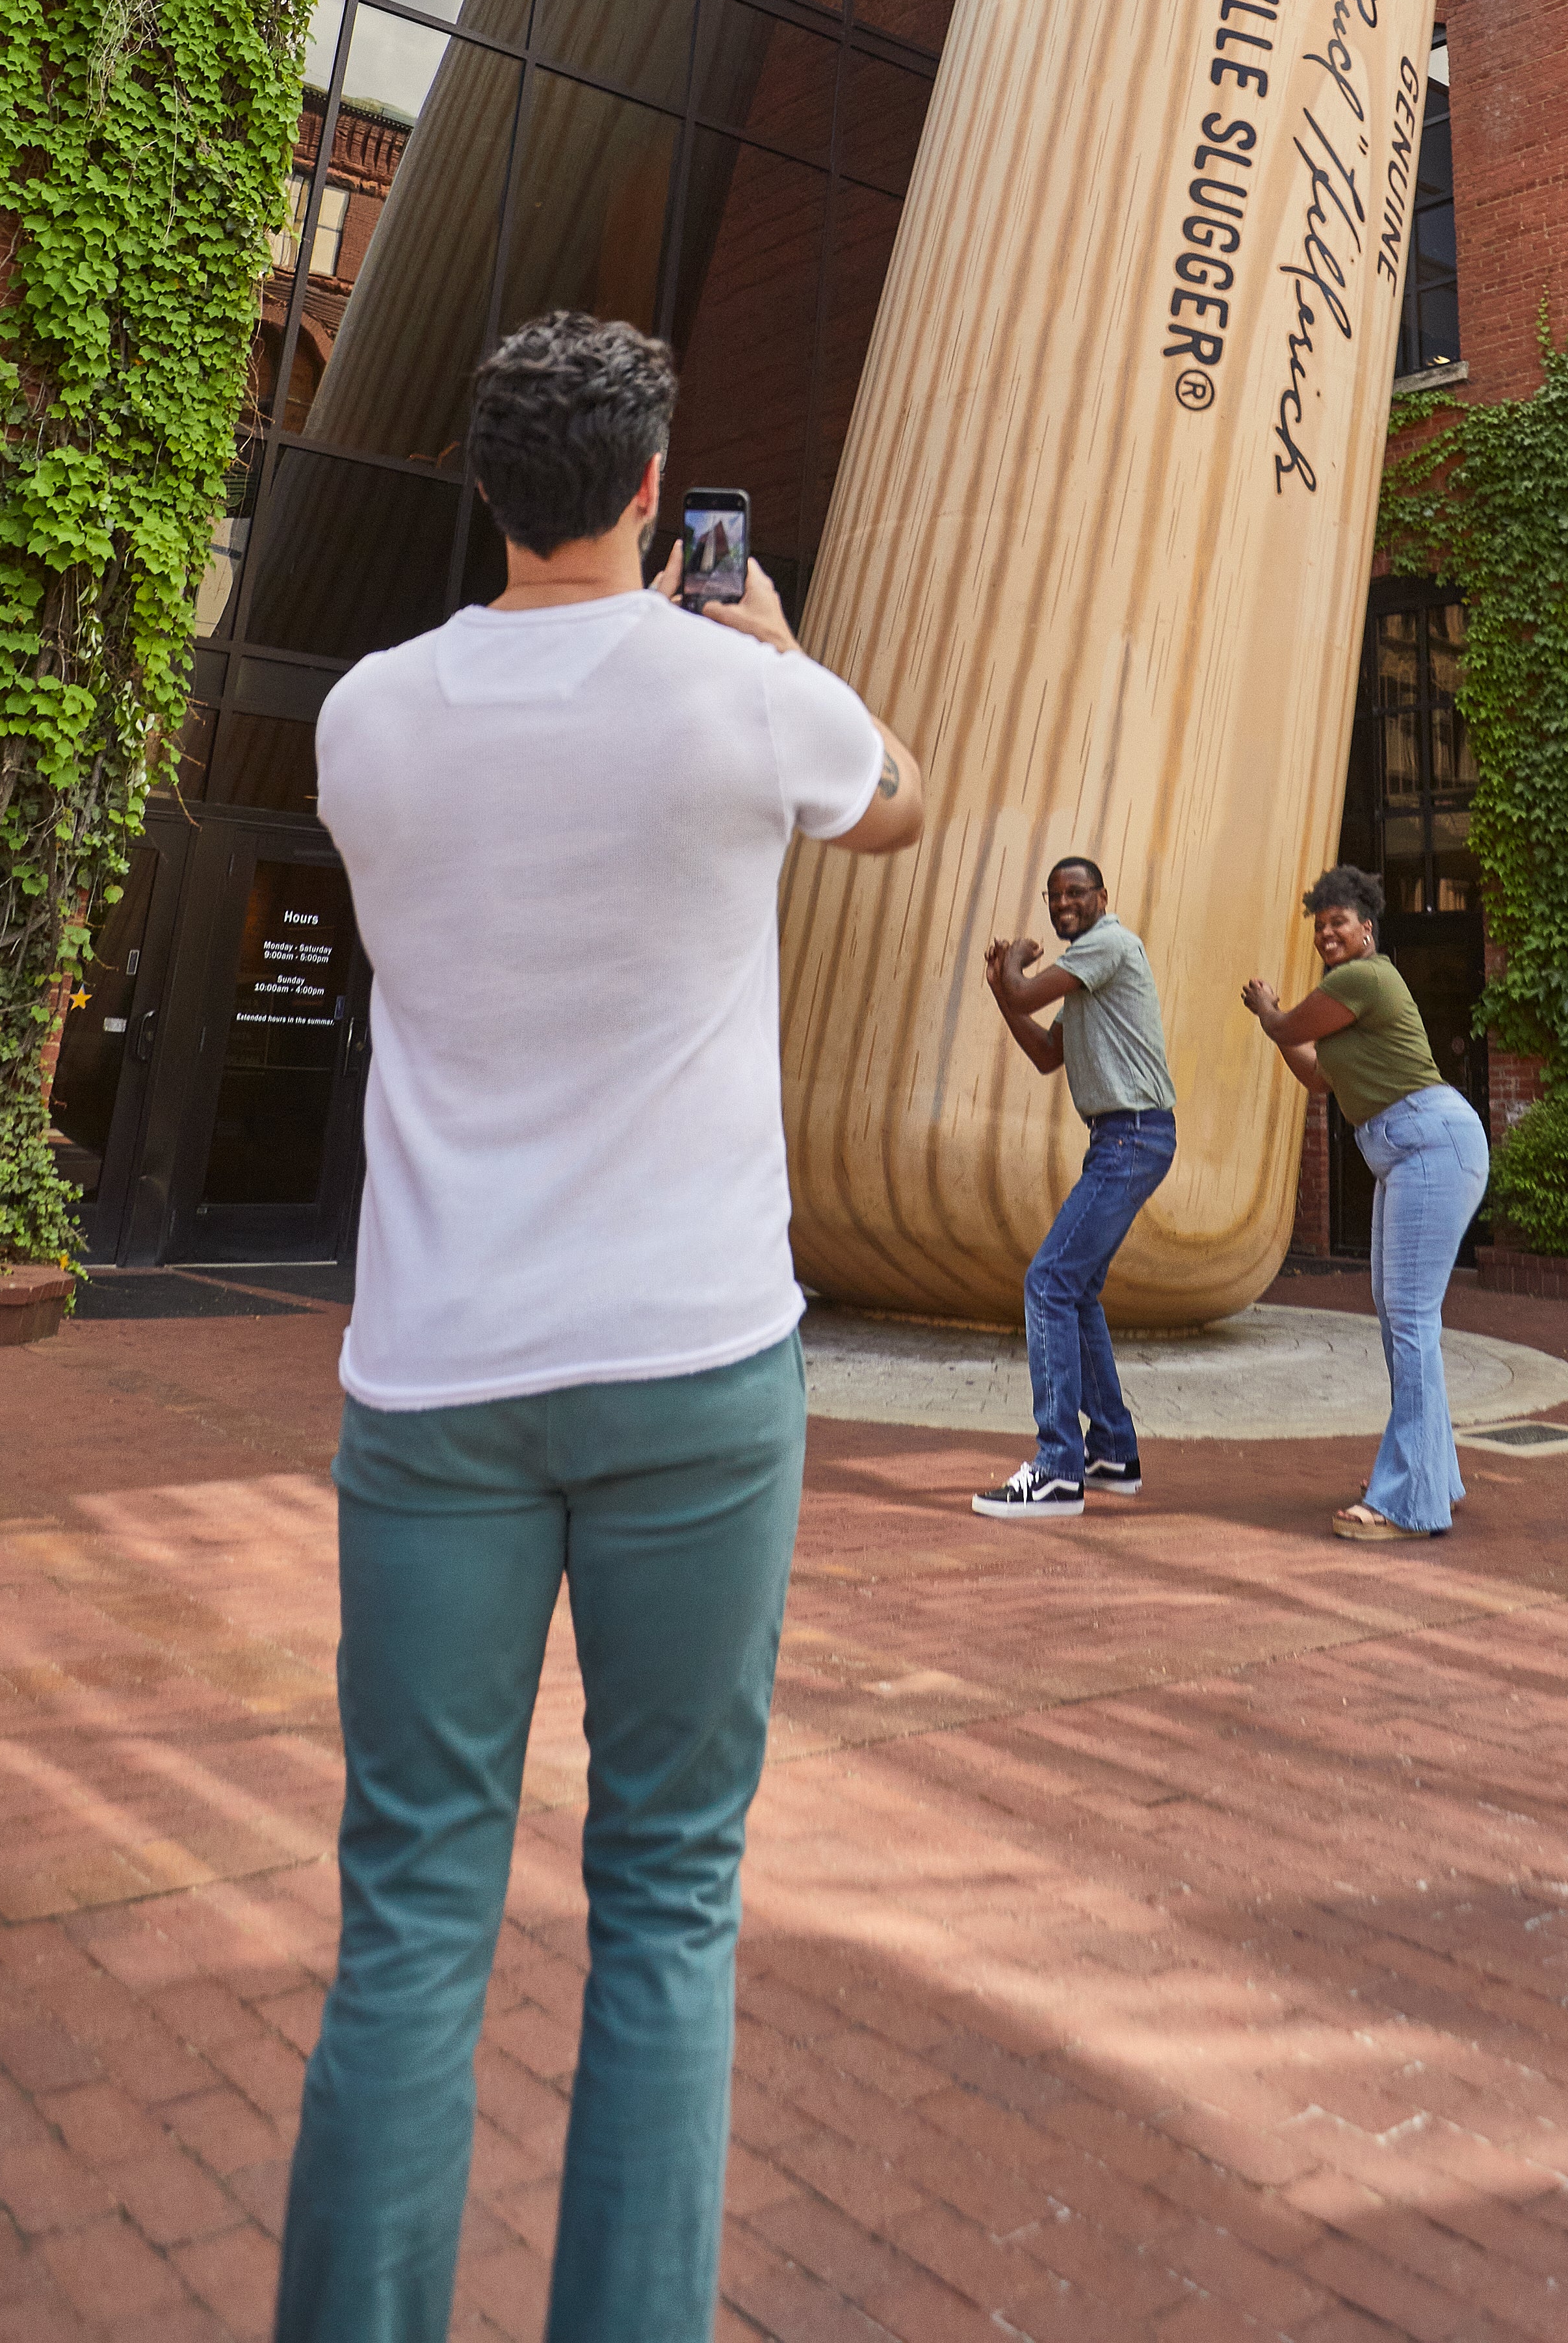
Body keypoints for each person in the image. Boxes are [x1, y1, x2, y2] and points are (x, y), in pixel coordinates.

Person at [280, 312, 924, 2343]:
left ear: (490, 482)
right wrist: (775, 645)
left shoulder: (365, 715)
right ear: (659, 494)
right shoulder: (735, 696)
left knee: (408, 1907)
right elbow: (900, 801)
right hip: (689, 1365)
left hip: (435, 1371)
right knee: (662, 1892)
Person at [1242, 867, 1490, 1543]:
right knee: (1400, 1314)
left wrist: (1268, 1007)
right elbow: (1318, 1073)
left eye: (1338, 922)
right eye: (1319, 925)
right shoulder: (1351, 1002)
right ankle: (1429, 1473)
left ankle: (1408, 1499)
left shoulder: (1361, 978)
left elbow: (1288, 1023)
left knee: (1408, 1318)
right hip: (1406, 1152)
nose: (1327, 932)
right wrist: (1280, 1027)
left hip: (1428, 1145)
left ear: (1366, 930)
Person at [973, 855, 1177, 1521]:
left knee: (1048, 1282)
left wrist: (1015, 965)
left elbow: (1027, 990)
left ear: (1101, 897)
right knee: (1075, 1288)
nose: (1063, 903)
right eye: (1054, 895)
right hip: (1123, 1138)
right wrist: (1007, 988)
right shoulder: (1087, 971)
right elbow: (1044, 1054)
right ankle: (1112, 1452)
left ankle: (1058, 1469)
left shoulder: (1109, 944)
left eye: (1075, 892)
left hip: (1133, 1135)